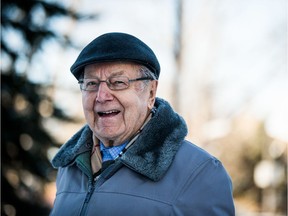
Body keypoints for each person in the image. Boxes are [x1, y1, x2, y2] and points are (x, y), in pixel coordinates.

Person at [50, 32, 235, 216]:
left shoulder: (200, 174)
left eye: (118, 82)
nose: (101, 96)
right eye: (91, 83)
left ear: (151, 93)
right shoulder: (69, 168)